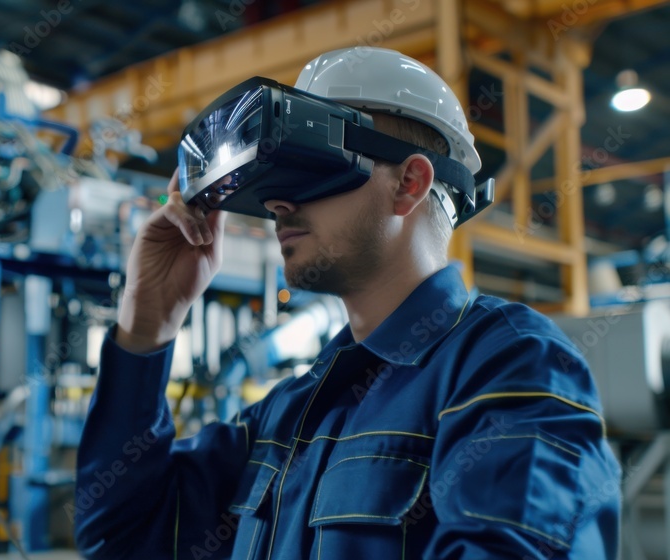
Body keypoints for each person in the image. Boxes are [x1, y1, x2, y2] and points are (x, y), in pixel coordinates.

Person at [73, 47, 621, 559]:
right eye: (272, 180)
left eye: (310, 166)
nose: (277, 202)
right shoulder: (285, 413)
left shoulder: (509, 366)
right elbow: (119, 536)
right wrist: (149, 320)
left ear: (409, 182)